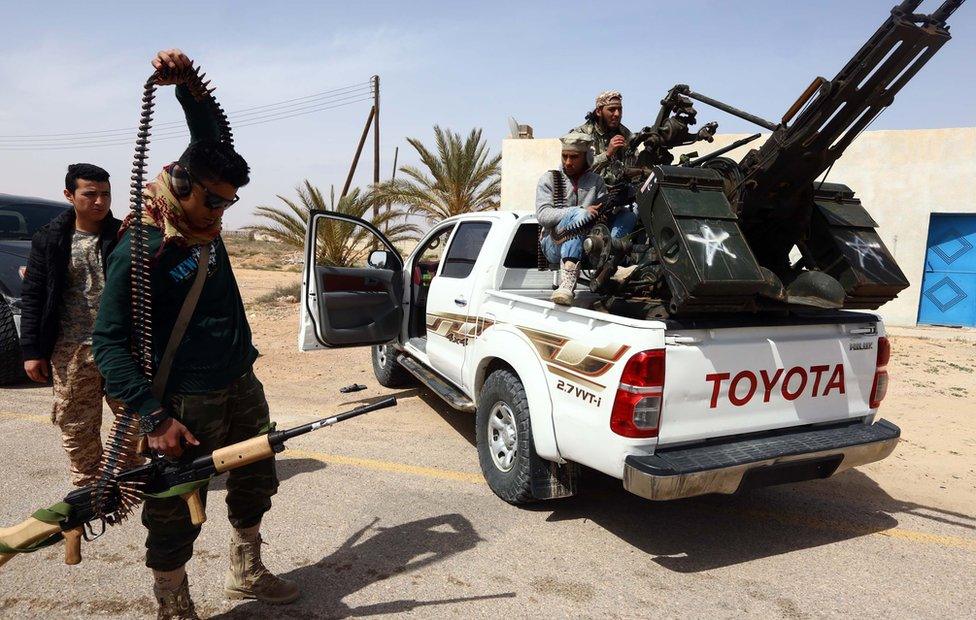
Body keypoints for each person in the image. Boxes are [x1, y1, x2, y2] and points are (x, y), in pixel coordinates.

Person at [92, 49, 297, 619]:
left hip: (238, 382)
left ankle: (246, 570)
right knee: (174, 509)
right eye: (211, 199)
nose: (219, 212)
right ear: (179, 181)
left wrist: (189, 86)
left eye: (228, 202)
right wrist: (155, 418)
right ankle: (173, 602)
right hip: (184, 398)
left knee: (257, 478)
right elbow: (106, 344)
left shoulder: (202, 216)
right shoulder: (144, 245)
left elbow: (213, 139)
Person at [19, 163, 134, 486]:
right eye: (90, 194)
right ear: (70, 195)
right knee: (76, 424)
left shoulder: (124, 236)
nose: (99, 202)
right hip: (70, 350)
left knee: (134, 418)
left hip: (120, 347)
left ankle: (131, 480)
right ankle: (88, 486)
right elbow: (34, 295)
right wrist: (32, 350)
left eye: (106, 195)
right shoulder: (51, 239)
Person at [536, 133, 636, 305]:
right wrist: (579, 210)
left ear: (586, 157)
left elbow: (603, 216)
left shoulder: (596, 181)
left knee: (628, 216)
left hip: (587, 245)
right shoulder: (550, 179)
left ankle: (612, 263)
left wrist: (613, 206)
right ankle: (567, 282)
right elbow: (543, 216)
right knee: (580, 214)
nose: (568, 162)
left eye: (574, 157)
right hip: (554, 243)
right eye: (565, 156)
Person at [571, 90, 635, 185]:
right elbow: (576, 169)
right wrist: (607, 155)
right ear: (598, 111)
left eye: (619, 109)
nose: (617, 114)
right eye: (612, 109)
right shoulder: (581, 135)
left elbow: (634, 166)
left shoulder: (625, 134)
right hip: (588, 193)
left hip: (619, 193)